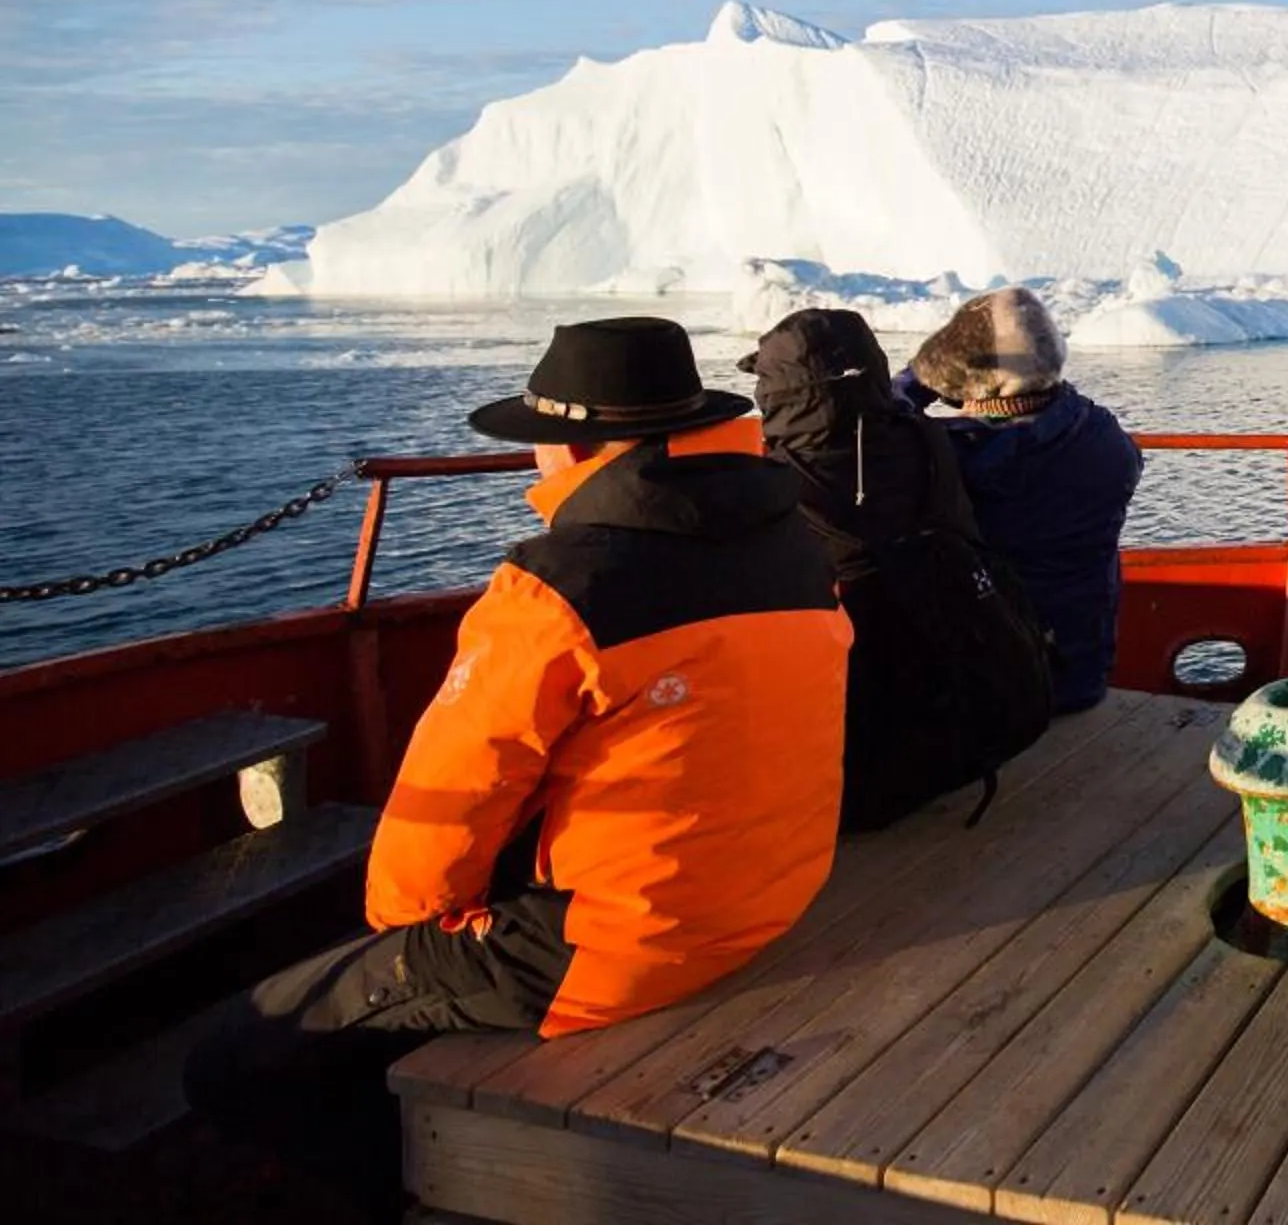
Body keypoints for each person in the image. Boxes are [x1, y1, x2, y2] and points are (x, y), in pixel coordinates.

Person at [185, 317, 850, 1215]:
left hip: (612, 952)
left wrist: (412, 938)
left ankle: (434, 1189)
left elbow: (445, 813)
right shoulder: (797, 547)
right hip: (768, 896)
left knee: (238, 1054)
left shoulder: (554, 589)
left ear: (575, 447)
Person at [742, 307, 1052, 830]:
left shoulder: (766, 486)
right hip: (964, 722)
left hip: (862, 773)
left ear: (777, 393)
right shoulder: (924, 442)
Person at [903, 288, 1144, 714]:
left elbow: (877, 432)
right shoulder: (1103, 433)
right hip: (1082, 675)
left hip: (997, 691)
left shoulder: (957, 455)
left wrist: (917, 381)